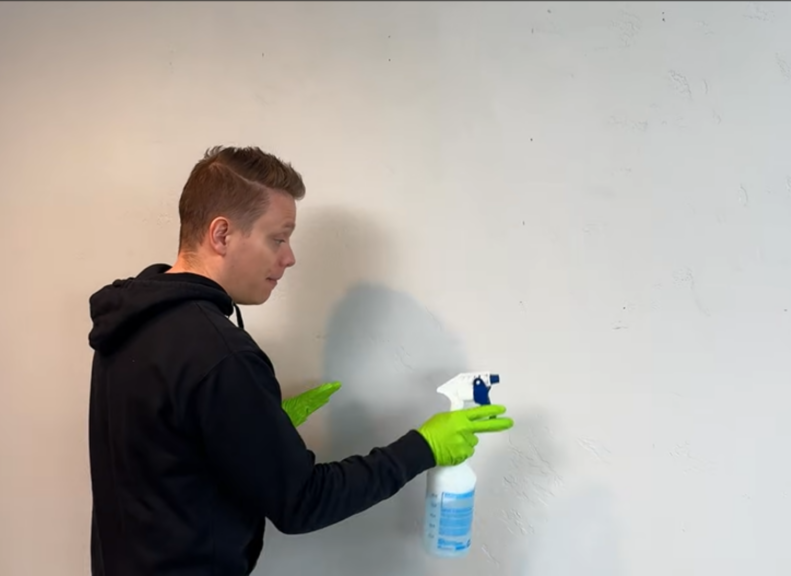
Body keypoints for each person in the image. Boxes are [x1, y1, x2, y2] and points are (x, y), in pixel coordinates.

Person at [86, 146, 514, 576]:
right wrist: (423, 447)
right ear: (221, 235)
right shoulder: (220, 353)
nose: (289, 257)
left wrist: (253, 426)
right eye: (278, 237)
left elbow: (161, 453)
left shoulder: (131, 321)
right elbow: (303, 503)